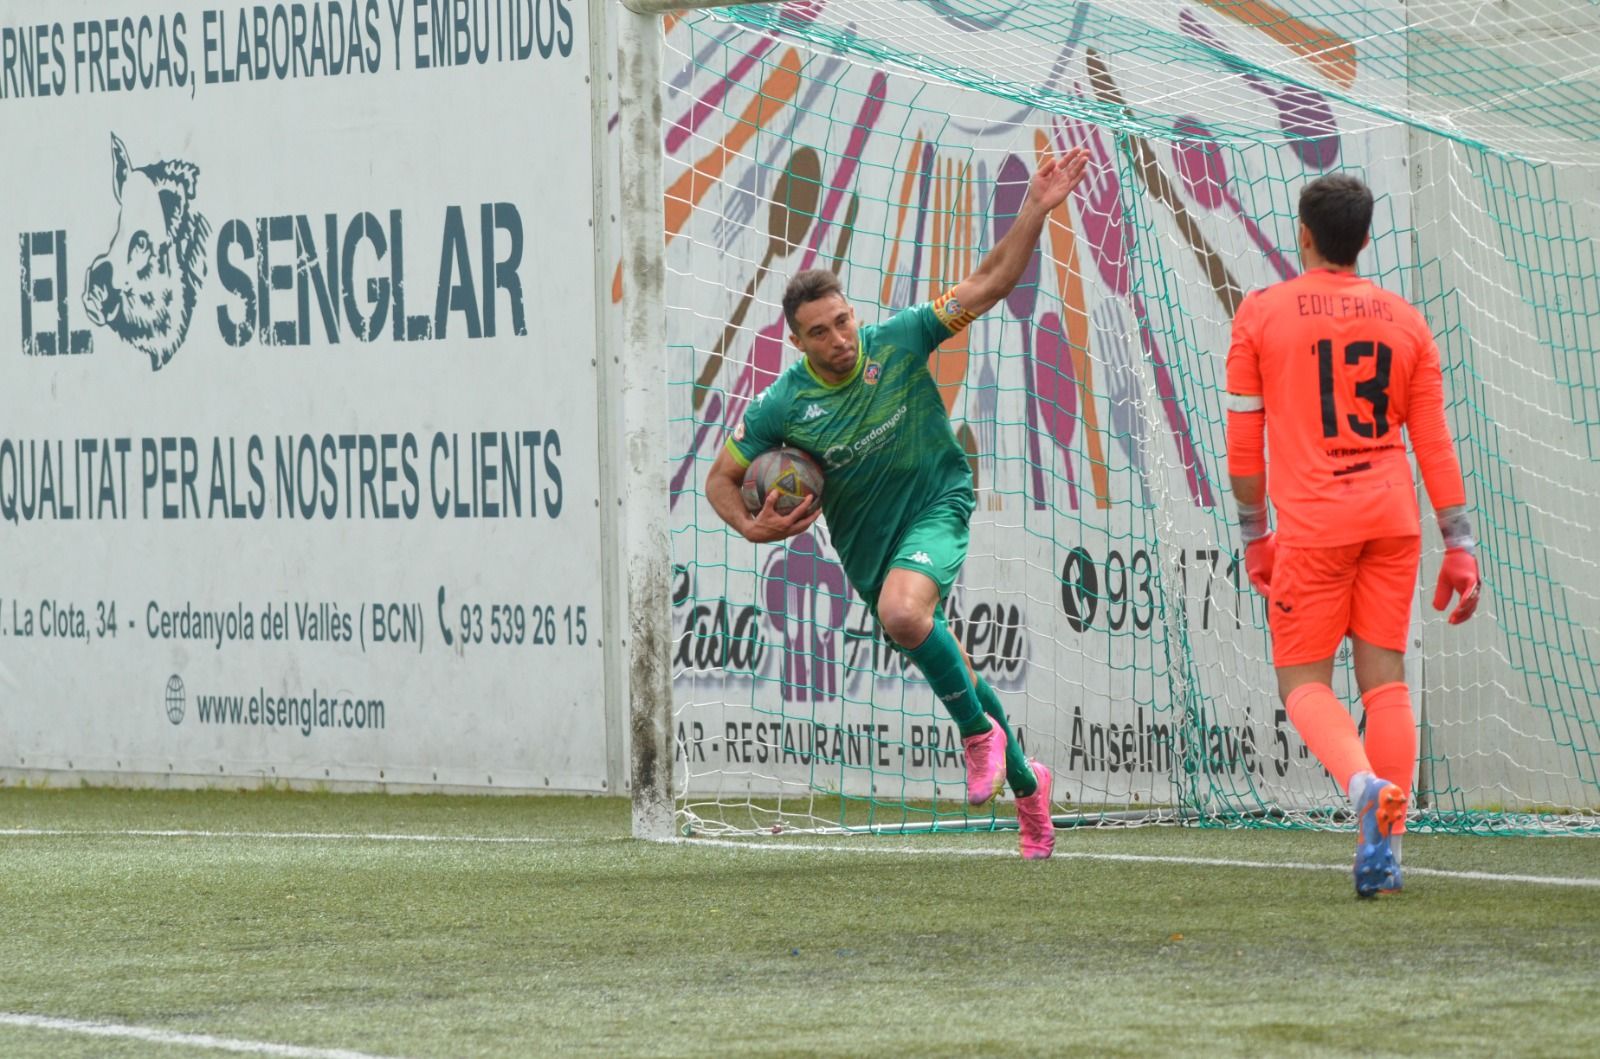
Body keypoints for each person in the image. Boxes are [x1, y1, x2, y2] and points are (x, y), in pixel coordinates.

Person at [705, 146, 1093, 860]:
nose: (840, 339)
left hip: (937, 504)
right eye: (820, 332)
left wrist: (1034, 208)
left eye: (844, 320)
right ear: (796, 341)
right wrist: (752, 526)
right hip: (869, 548)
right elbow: (719, 481)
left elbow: (989, 280)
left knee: (906, 614)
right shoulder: (782, 405)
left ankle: (976, 737)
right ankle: (1028, 788)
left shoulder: (900, 339)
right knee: (952, 661)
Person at [1225, 173, 1481, 897]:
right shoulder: (1405, 321)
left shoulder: (1261, 314)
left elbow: (1245, 449)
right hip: (1392, 519)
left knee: (1303, 679)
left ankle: (1364, 785)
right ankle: (1387, 854)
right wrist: (1458, 542)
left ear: (1302, 233)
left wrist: (1255, 535)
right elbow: (1432, 440)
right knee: (1385, 683)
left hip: (1315, 522)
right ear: (1366, 240)